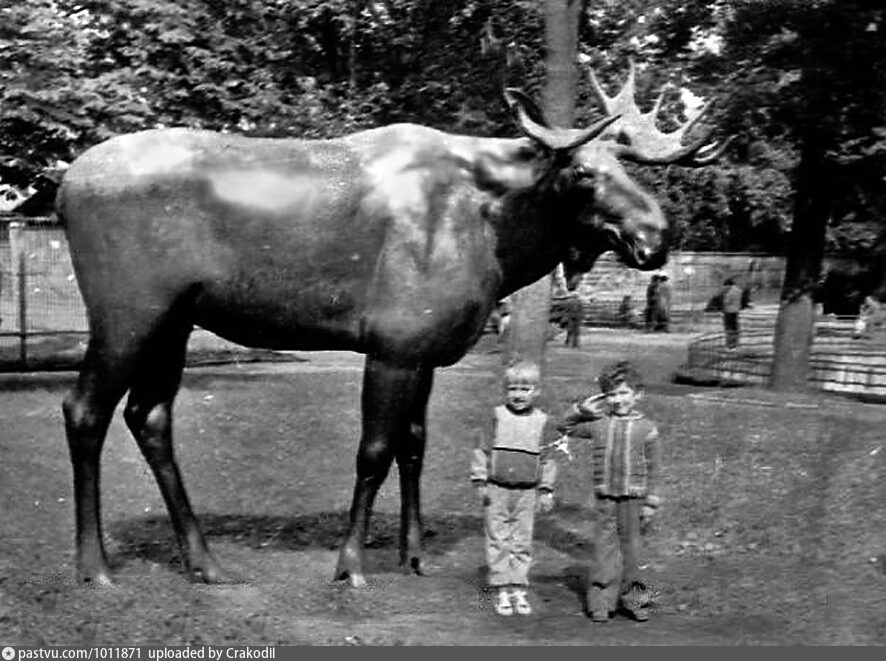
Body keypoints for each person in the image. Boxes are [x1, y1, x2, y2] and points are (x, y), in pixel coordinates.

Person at [556, 360, 663, 623]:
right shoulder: (599, 423)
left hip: (634, 499)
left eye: (624, 393)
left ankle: (636, 601)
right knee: (604, 551)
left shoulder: (647, 429)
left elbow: (655, 467)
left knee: (633, 553)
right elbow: (564, 427)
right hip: (606, 499)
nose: (617, 400)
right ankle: (601, 602)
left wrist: (652, 501)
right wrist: (580, 409)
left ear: (638, 395)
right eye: (612, 394)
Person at [470, 361, 557, 616]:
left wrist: (546, 489)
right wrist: (479, 479)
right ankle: (500, 587)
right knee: (497, 538)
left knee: (521, 539)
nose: (518, 395)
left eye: (525, 389)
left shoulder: (543, 422)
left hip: (527, 492)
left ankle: (518, 586)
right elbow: (481, 449)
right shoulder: (496, 416)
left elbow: (549, 458)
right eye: (513, 389)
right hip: (497, 489)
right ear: (505, 390)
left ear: (536, 391)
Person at [721, 277, 742, 349]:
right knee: (735, 327)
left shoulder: (730, 292)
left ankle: (730, 343)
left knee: (729, 327)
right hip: (736, 310)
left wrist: (723, 298)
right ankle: (735, 342)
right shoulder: (739, 290)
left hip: (729, 311)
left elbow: (726, 302)